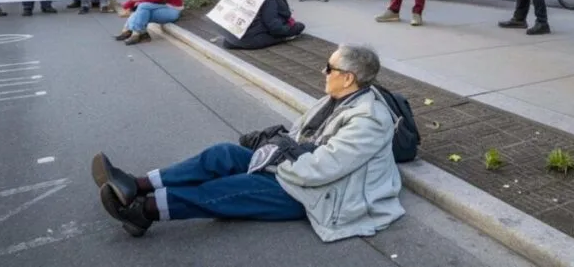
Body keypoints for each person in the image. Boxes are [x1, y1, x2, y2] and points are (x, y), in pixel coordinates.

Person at [89, 44, 403, 240]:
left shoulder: (369, 119)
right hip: (301, 167)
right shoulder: (337, 97)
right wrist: (270, 147)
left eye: (329, 68)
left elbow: (324, 169)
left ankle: (144, 211)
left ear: (348, 77)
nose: (324, 72)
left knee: (231, 187)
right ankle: (137, 184)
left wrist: (271, 165)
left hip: (325, 194)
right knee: (222, 155)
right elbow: (300, 137)